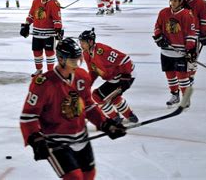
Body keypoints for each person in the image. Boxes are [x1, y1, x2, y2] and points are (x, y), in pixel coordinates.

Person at [20, 38, 126, 180]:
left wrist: (105, 123)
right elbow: (28, 117)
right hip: (56, 142)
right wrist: (35, 139)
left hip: (81, 138)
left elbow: (88, 105)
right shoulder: (43, 84)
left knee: (89, 175)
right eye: (73, 61)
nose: (77, 65)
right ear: (61, 60)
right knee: (74, 178)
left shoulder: (82, 76)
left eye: (79, 60)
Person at [79, 28, 139, 124]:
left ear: (90, 42)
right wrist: (88, 83)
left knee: (101, 96)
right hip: (113, 78)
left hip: (126, 75)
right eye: (80, 42)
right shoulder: (86, 53)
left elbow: (125, 59)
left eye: (83, 42)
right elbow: (93, 71)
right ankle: (128, 115)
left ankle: (116, 117)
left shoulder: (102, 51)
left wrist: (125, 78)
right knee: (109, 96)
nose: (81, 44)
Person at [153, 0, 197, 107]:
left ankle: (186, 98)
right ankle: (174, 95)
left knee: (182, 77)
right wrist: (158, 37)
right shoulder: (163, 12)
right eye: (171, 0)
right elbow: (157, 26)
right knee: (170, 75)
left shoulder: (187, 14)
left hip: (180, 52)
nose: (172, 3)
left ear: (181, 1)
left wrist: (190, 49)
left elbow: (191, 33)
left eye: (175, 0)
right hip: (166, 51)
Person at [20, 0, 63, 76]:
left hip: (49, 34)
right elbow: (31, 15)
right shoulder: (36, 1)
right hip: (36, 33)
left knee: (49, 53)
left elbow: (57, 19)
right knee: (37, 52)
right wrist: (26, 25)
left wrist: (58, 30)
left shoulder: (54, 3)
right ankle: (39, 70)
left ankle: (50, 72)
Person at [182, 0, 206, 83]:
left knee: (192, 57)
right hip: (180, 34)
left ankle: (190, 77)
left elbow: (205, 20)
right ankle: (182, 76)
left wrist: (204, 34)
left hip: (194, 34)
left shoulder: (201, 2)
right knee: (181, 56)